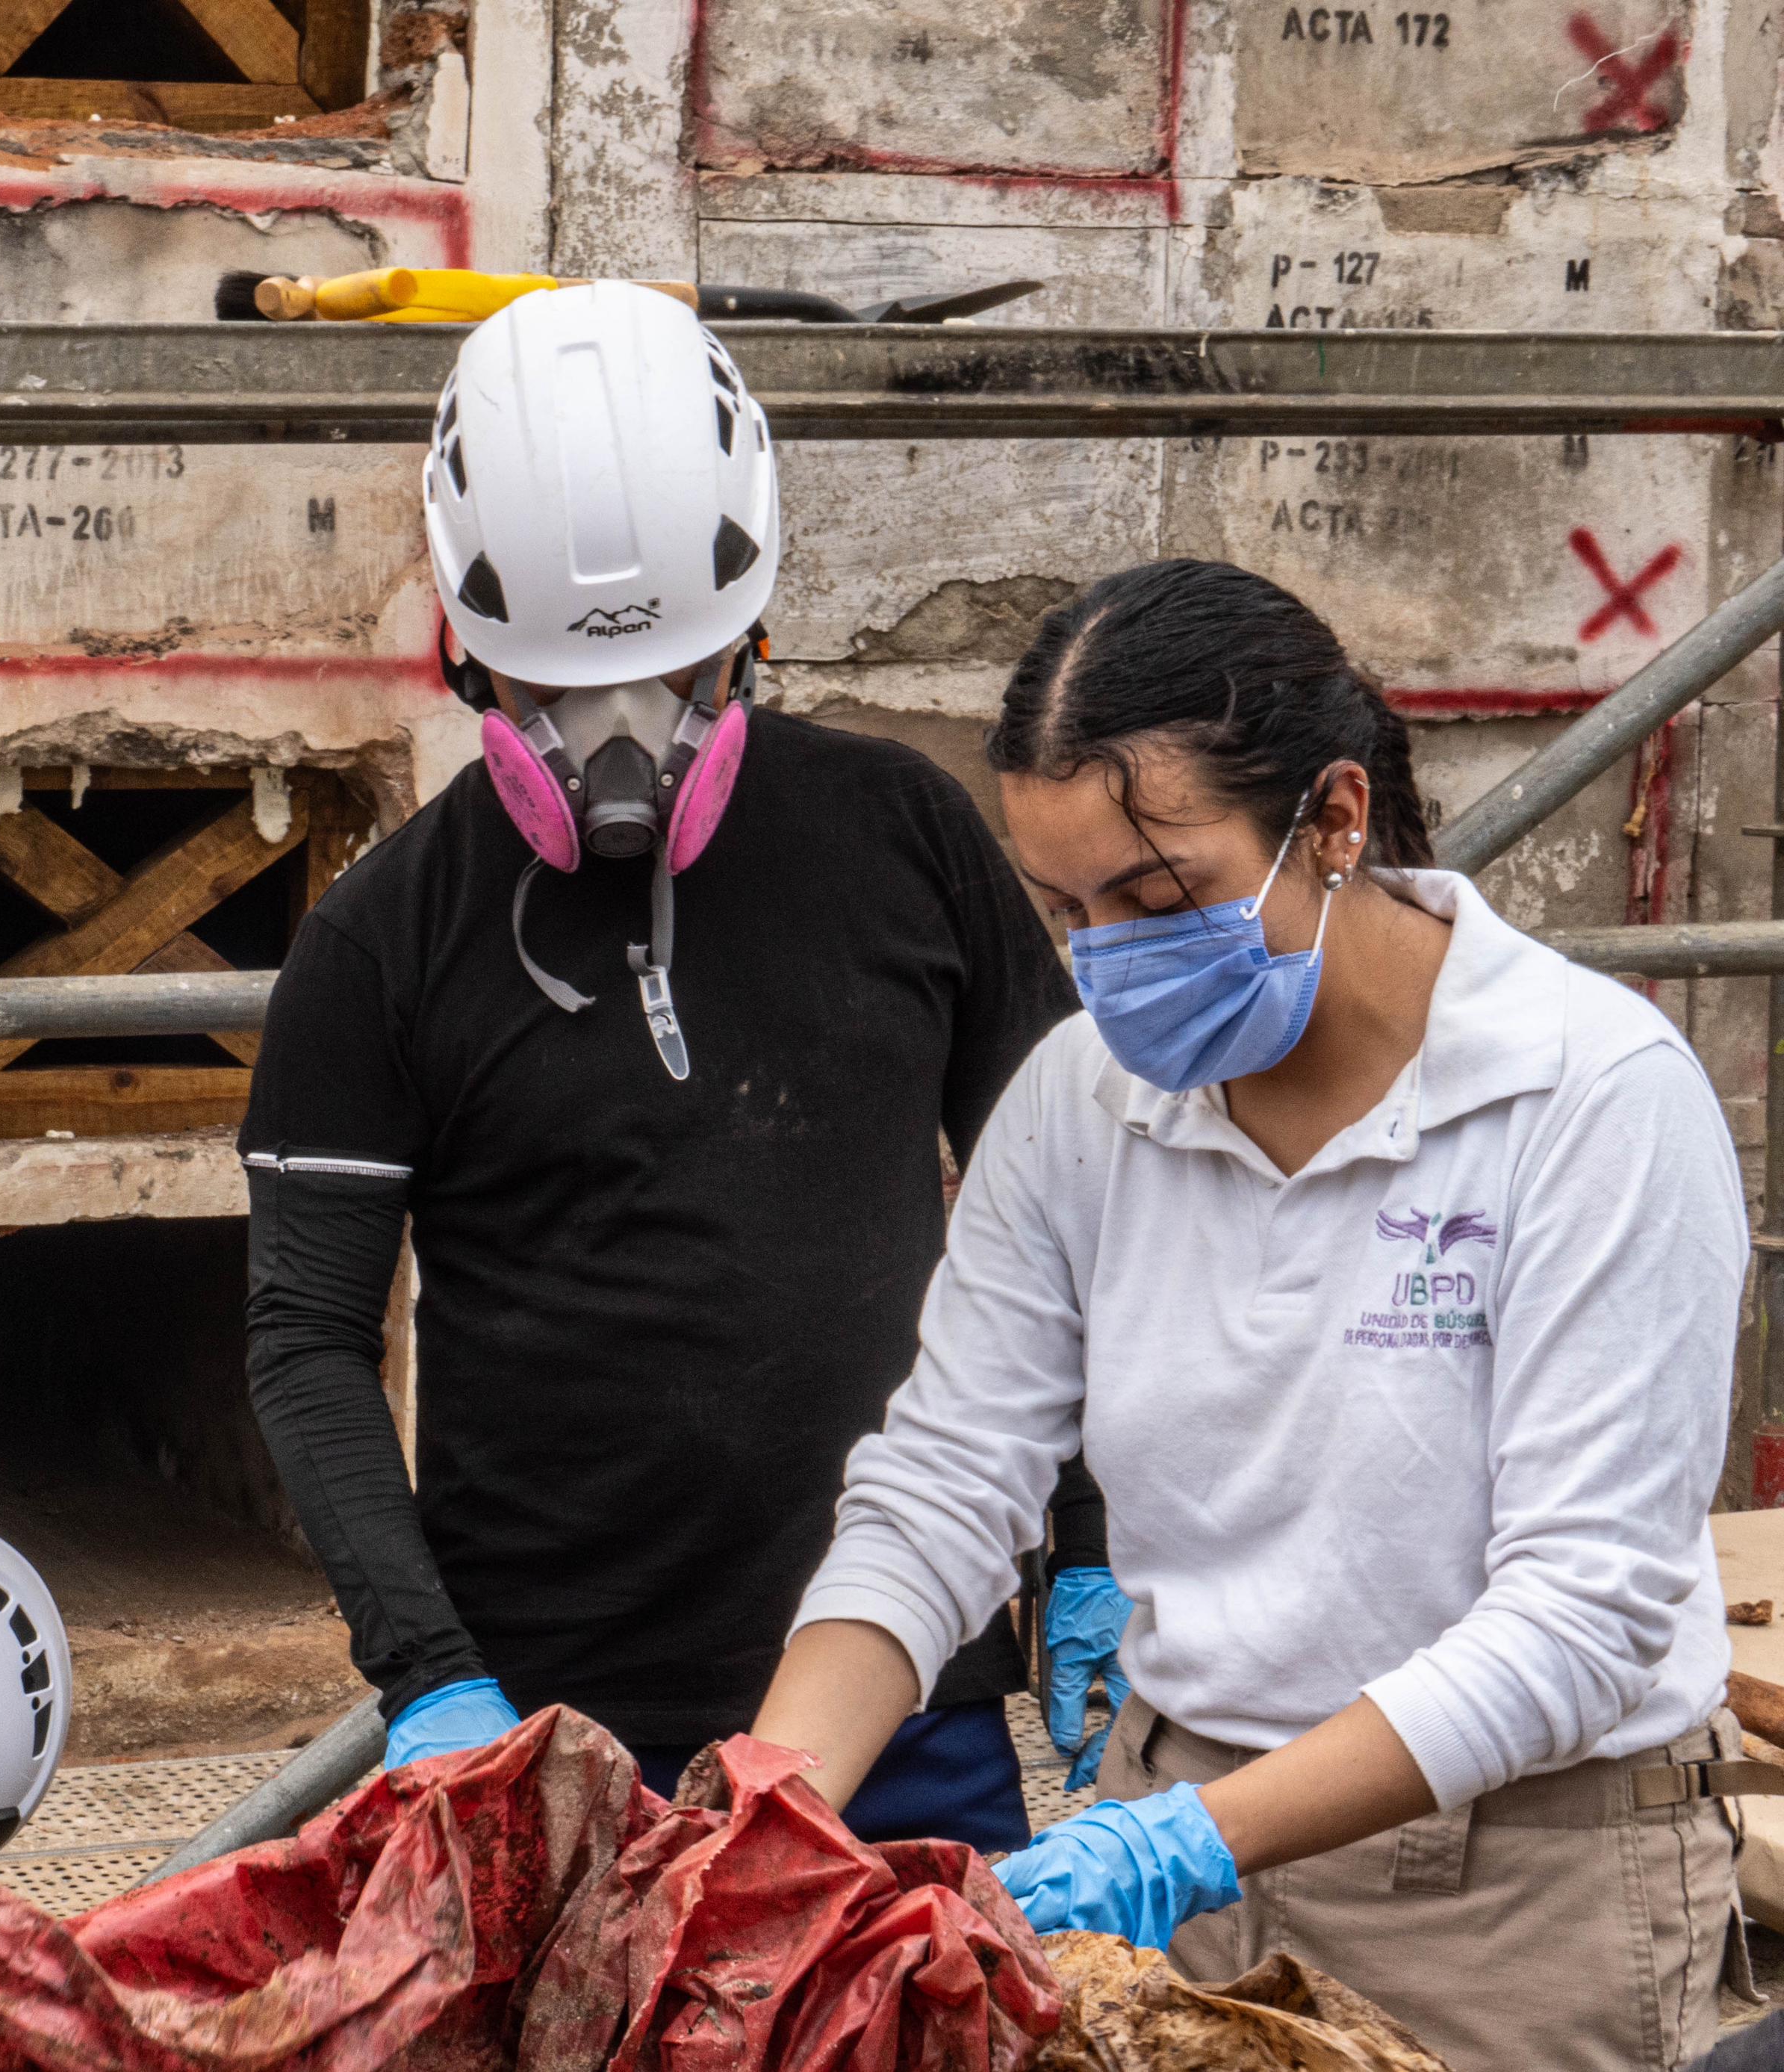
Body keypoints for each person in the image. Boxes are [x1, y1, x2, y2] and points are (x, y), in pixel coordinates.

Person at [752, 558, 1750, 2071]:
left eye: (1157, 898)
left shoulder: (1587, 1098)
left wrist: (1185, 1840)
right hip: (1181, 1835)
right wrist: (777, 1800)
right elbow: (945, 1482)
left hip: (1510, 1886)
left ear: (1335, 817)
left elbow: (1580, 1615)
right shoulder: (1078, 1107)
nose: (1108, 958)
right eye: (1067, 910)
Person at [239, 282, 1076, 1846]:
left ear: (750, 627)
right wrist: (431, 1676)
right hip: (552, 1735)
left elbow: (1078, 1216)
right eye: (557, 688)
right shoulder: (378, 941)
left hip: (905, 1691)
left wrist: (1084, 1541)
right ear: (463, 648)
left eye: (678, 673)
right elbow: (306, 1337)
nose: (623, 736)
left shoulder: (907, 836)